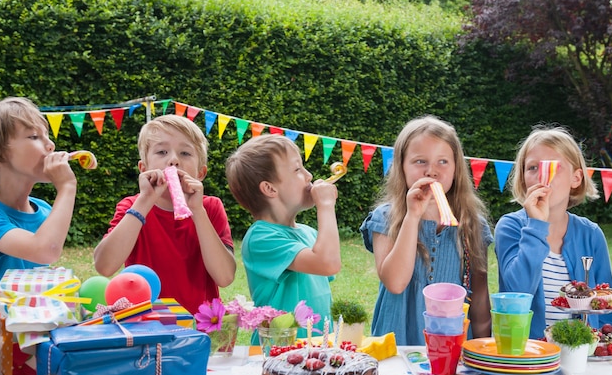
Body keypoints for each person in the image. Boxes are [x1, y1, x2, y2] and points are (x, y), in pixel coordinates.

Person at [360, 115, 492, 346]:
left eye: (443, 161)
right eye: (420, 161)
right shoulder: (386, 218)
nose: (432, 171)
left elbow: (479, 298)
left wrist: (483, 350)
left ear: (456, 169)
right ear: (401, 166)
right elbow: (395, 282)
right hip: (397, 344)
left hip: (454, 348)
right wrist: (412, 216)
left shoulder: (473, 224)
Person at [94, 115, 236, 312]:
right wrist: (144, 201)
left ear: (200, 173)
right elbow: (104, 266)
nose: (173, 160)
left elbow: (225, 277)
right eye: (162, 152)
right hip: (146, 326)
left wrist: (197, 211)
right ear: (143, 168)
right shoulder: (131, 207)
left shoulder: (210, 208)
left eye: (185, 153)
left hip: (199, 328)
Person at [495, 124, 612, 340]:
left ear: (576, 178)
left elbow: (606, 306)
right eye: (533, 168)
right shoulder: (510, 227)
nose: (543, 177)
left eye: (552, 168)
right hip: (527, 353)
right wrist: (536, 225)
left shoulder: (591, 235)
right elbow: (518, 291)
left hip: (581, 353)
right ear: (523, 179)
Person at [0, 96, 77, 297]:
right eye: (34, 137)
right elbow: (45, 250)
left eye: (47, 135)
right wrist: (67, 186)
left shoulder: (43, 209)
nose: (50, 145)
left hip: (28, 324)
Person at [225, 133, 340, 332]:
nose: (309, 175)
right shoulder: (261, 239)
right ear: (269, 188)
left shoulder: (308, 233)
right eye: (297, 169)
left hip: (316, 350)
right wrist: (326, 205)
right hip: (280, 351)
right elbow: (328, 263)